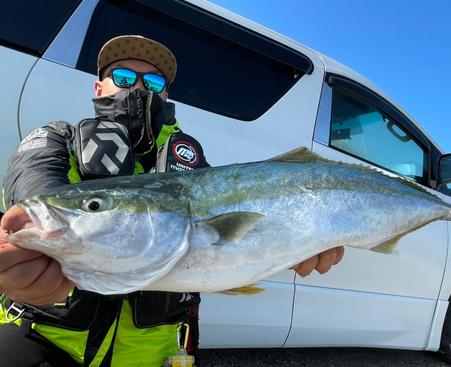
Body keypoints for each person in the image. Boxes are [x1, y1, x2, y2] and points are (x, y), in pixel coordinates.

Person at [0, 35, 345, 367]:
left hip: (158, 349)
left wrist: (291, 245)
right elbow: (31, 188)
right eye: (122, 76)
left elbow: (233, 241)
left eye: (152, 80)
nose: (137, 87)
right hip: (42, 336)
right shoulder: (59, 137)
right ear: (98, 87)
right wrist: (31, 252)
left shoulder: (191, 164)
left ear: (165, 92)